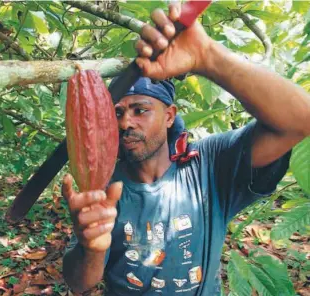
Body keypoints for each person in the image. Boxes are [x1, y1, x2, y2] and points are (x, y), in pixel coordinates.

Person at [61, 3, 310, 295]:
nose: (126, 122)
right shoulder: (102, 187)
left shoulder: (209, 164)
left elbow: (298, 121)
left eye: (140, 110)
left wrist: (206, 56)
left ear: (169, 116)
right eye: (116, 113)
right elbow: (79, 283)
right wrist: (91, 247)